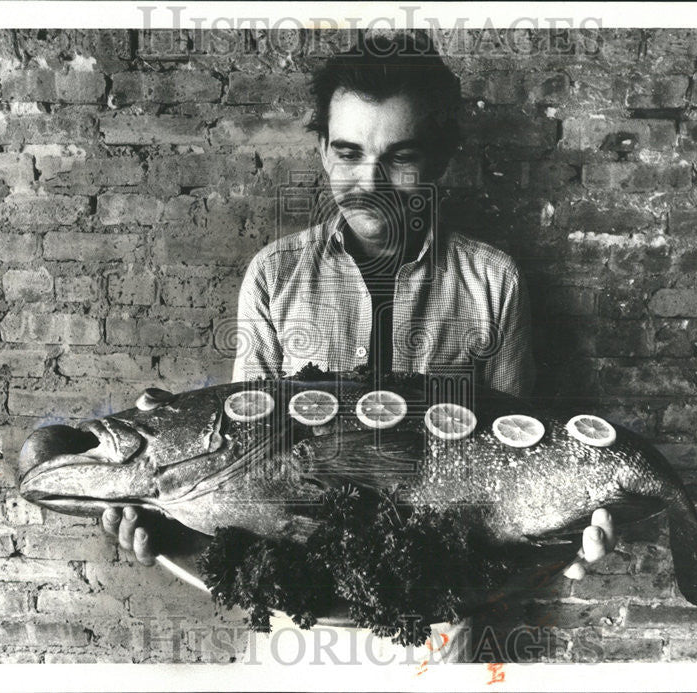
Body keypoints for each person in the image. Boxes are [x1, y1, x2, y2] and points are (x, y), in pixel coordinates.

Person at [102, 29, 615, 624]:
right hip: (294, 615)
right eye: (348, 153)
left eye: (400, 157)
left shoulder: (494, 281)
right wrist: (160, 510)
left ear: (441, 158)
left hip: (442, 612)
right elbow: (238, 461)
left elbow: (512, 456)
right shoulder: (273, 276)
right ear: (322, 150)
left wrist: (564, 538)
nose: (369, 184)